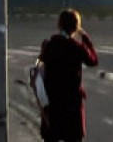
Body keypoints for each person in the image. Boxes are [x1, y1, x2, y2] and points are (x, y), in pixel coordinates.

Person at [37, 9, 98, 142]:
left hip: (52, 103)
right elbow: (93, 60)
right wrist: (86, 38)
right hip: (72, 105)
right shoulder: (77, 47)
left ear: (59, 25)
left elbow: (41, 65)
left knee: (51, 137)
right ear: (76, 27)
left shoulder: (49, 45)